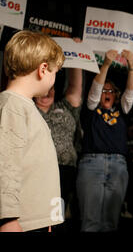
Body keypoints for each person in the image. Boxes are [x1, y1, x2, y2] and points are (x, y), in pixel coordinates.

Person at [0, 30, 64, 232]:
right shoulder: (13, 107)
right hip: (20, 225)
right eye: (55, 73)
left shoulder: (25, 106)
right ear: (43, 69)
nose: (55, 79)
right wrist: (8, 220)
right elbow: (5, 166)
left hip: (36, 223)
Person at [76, 49, 133, 232]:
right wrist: (107, 64)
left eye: (111, 90)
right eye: (104, 90)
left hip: (118, 165)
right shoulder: (92, 109)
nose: (106, 93)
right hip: (92, 163)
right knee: (90, 223)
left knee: (111, 224)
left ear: (116, 95)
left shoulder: (122, 111)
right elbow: (94, 91)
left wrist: (131, 67)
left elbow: (131, 92)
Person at [34, 37, 83, 232]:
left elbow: (75, 87)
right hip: (37, 172)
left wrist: (77, 55)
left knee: (56, 218)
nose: (47, 93)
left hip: (63, 172)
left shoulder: (65, 107)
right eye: (43, 89)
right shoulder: (27, 107)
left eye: (51, 90)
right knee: (36, 216)